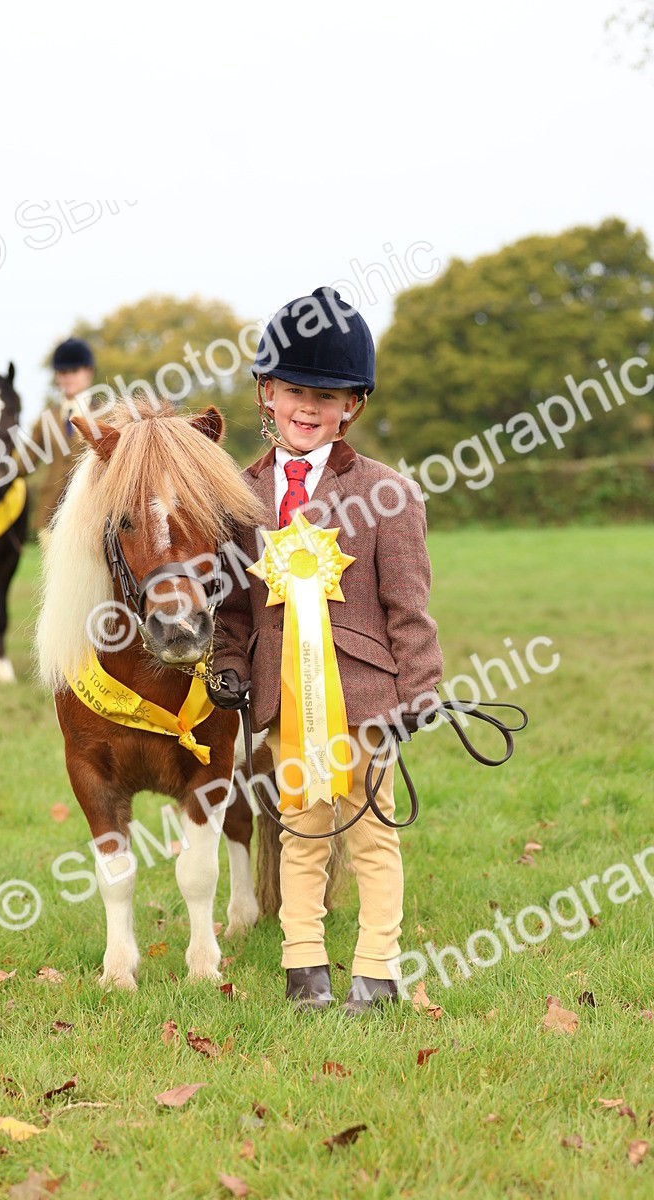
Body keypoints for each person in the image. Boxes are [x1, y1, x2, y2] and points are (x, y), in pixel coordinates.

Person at [212, 286, 444, 1014]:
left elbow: (409, 606)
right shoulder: (239, 497)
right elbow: (232, 608)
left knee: (372, 835)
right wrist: (228, 664)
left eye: (327, 396)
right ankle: (304, 967)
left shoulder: (388, 494)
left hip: (367, 699)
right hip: (285, 698)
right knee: (303, 831)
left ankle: (376, 970)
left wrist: (421, 689)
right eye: (294, 391)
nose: (307, 408)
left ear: (353, 405)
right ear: (266, 392)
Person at [31, 336, 96, 535]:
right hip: (50, 515)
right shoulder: (46, 418)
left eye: (74, 371)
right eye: (62, 372)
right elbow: (26, 460)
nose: (68, 378)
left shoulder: (107, 414)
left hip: (92, 516)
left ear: (88, 372)